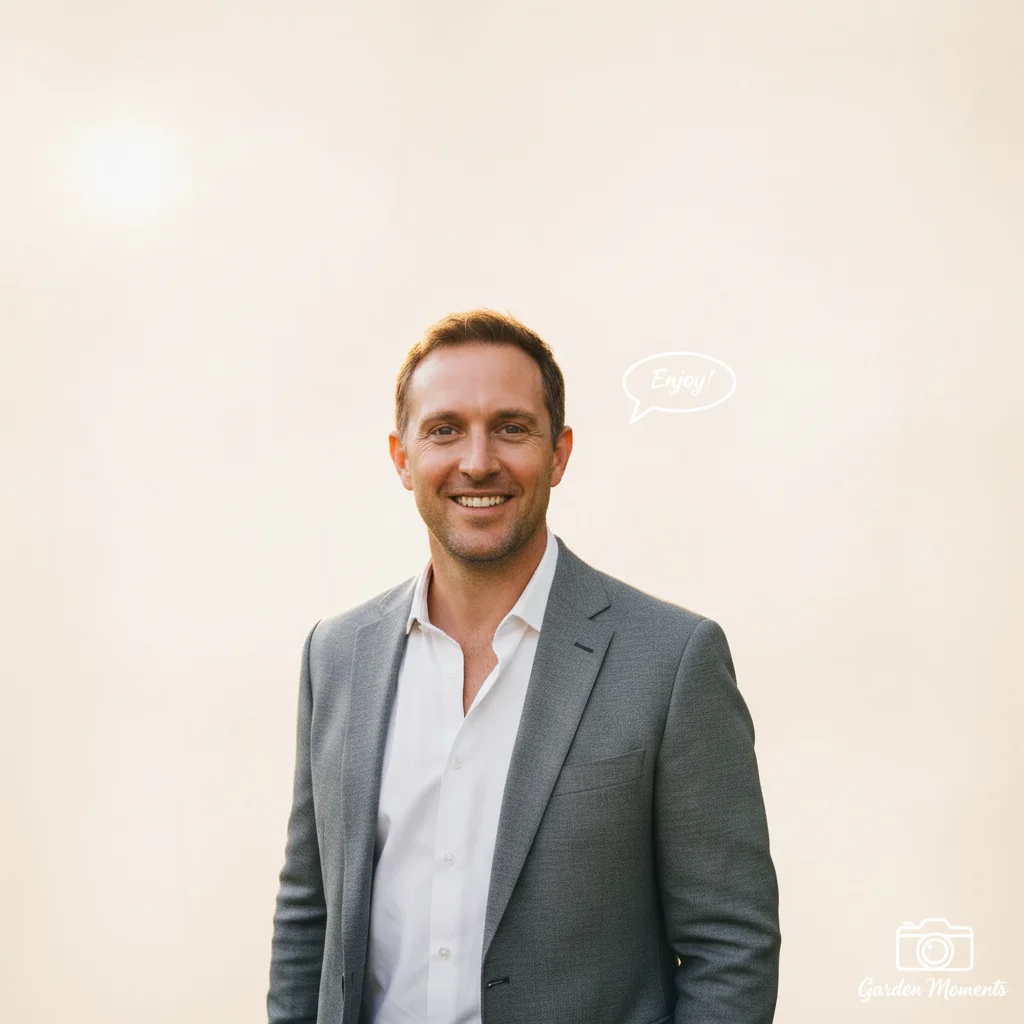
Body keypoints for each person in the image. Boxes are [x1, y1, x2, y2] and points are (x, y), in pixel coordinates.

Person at [267, 308, 781, 1024]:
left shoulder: (670, 661)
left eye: (511, 427)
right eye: (444, 429)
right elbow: (308, 917)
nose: (478, 460)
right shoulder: (337, 656)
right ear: (401, 457)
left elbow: (731, 944)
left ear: (560, 453)